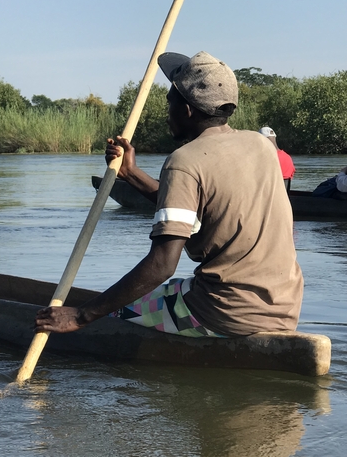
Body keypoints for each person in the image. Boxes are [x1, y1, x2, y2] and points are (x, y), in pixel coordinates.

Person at [36, 51, 303, 338]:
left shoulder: (184, 161)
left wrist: (81, 315)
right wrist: (131, 174)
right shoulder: (260, 145)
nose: (167, 114)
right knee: (165, 291)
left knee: (113, 313)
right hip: (284, 305)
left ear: (187, 110)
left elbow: (162, 265)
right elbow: (197, 208)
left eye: (170, 104)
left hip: (226, 313)